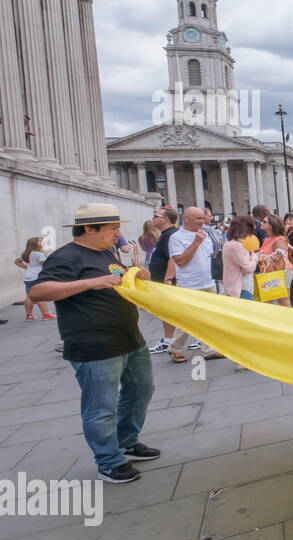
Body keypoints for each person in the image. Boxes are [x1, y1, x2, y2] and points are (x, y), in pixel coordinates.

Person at [28, 204, 160, 484]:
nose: (118, 234)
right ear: (89, 229)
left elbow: (117, 279)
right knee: (101, 406)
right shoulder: (67, 257)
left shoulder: (106, 252)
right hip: (94, 345)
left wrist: (136, 273)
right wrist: (90, 283)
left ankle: (126, 441)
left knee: (140, 390)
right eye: (112, 228)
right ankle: (109, 461)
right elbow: (39, 290)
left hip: (128, 337)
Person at [166, 207, 223, 363]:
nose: (202, 221)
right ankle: (175, 349)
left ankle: (208, 349)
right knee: (187, 319)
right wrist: (196, 243)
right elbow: (181, 261)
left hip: (208, 281)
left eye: (203, 218)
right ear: (187, 219)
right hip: (189, 285)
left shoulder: (206, 234)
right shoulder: (176, 237)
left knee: (209, 318)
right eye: (198, 218)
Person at [146, 207, 180, 354]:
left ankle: (170, 341)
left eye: (156, 216)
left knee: (169, 312)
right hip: (161, 279)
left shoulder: (170, 235)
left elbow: (172, 258)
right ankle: (169, 340)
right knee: (167, 312)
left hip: (166, 281)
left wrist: (168, 279)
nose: (153, 218)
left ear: (165, 219)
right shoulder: (165, 234)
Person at [15, 236, 56, 321]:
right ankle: (46, 314)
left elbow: (17, 261)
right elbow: (45, 264)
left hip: (28, 277)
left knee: (29, 296)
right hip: (37, 277)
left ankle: (29, 316)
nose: (42, 242)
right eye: (40, 241)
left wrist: (26, 267)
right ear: (34, 244)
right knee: (40, 296)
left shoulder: (26, 253)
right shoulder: (38, 254)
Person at [257, 213, 292, 308]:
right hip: (270, 272)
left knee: (283, 300)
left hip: (280, 271)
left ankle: (290, 320)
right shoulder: (268, 238)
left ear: (272, 225)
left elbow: (280, 257)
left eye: (264, 222)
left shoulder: (279, 240)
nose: (261, 223)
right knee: (269, 299)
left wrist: (261, 257)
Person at [221, 214, 260, 299]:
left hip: (233, 286)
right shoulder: (236, 245)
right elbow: (248, 268)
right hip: (241, 287)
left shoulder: (229, 243)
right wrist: (255, 257)